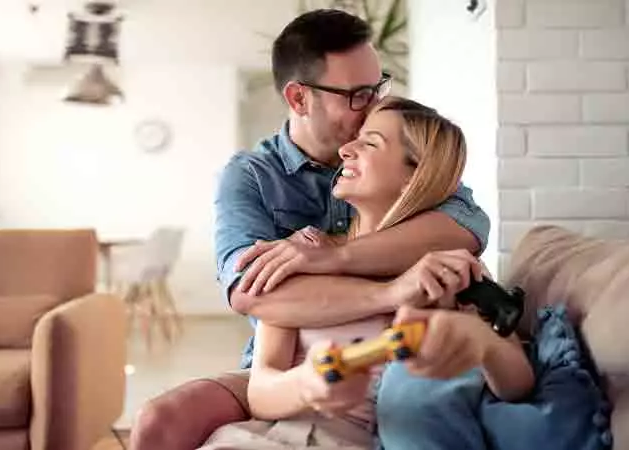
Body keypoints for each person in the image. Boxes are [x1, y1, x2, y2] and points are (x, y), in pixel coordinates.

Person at [130, 9, 489, 450]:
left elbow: (467, 225)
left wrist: (334, 257)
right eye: (357, 94)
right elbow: (253, 292)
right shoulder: (252, 176)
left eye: (377, 88)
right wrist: (389, 292)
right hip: (288, 360)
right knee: (158, 422)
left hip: (390, 367)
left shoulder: (395, 156)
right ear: (299, 99)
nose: (373, 105)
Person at [198, 97, 534, 449]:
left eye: (370, 142)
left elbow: (519, 382)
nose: (346, 149)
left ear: (414, 176)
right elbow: (261, 392)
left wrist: (481, 343)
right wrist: (307, 384)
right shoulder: (304, 254)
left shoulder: (446, 274)